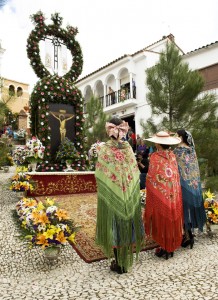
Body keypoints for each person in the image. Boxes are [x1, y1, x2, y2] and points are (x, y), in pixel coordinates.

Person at [95, 117, 143, 274]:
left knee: (114, 225)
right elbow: (134, 171)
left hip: (112, 194)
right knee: (126, 223)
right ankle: (125, 261)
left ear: (109, 131)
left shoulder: (105, 149)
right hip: (128, 194)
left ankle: (118, 262)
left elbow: (100, 174)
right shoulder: (128, 148)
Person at [143, 131, 183, 259]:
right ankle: (170, 246)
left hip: (161, 193)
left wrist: (150, 186)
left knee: (161, 217)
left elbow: (151, 176)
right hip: (173, 193)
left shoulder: (155, 157)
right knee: (171, 217)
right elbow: (174, 175)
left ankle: (164, 246)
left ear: (159, 144)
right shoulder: (172, 155)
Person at [174, 129, 206, 248]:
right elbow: (194, 167)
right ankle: (190, 235)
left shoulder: (177, 151)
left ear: (181, 137)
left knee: (183, 210)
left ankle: (188, 236)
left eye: (176, 135)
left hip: (182, 184)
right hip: (194, 184)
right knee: (189, 210)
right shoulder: (192, 150)